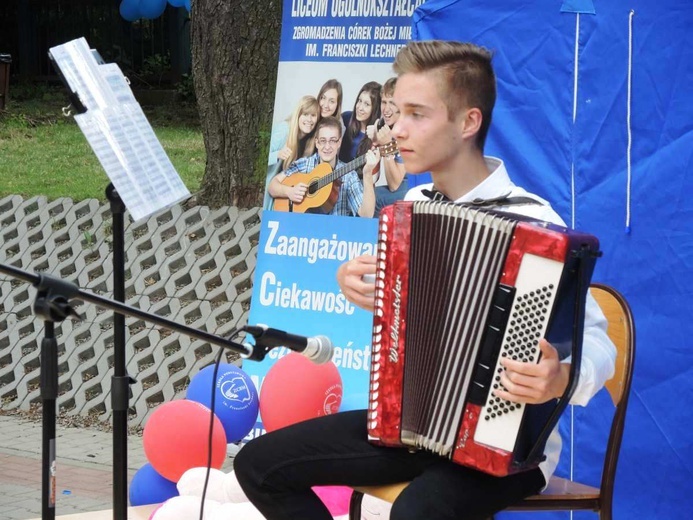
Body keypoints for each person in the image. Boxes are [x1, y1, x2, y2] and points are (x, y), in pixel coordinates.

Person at [235, 41, 616, 520]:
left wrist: (560, 375)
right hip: (409, 424)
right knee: (257, 466)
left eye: (416, 114)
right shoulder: (411, 209)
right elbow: (400, 310)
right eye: (398, 114)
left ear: (468, 123)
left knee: (417, 511)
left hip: (499, 442)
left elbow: (600, 342)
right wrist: (353, 282)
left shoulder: (535, 224)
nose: (397, 128)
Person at [268, 116, 378, 217]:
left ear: (339, 143)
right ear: (317, 143)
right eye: (323, 140)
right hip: (301, 235)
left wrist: (367, 174)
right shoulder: (304, 164)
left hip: (333, 236)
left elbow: (366, 215)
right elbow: (272, 186)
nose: (327, 146)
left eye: (333, 141)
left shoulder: (349, 175)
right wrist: (289, 192)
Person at [265, 96, 319, 210]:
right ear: (298, 115)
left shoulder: (309, 143)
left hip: (282, 198)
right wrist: (277, 154)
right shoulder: (284, 130)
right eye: (305, 114)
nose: (309, 120)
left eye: (313, 115)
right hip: (266, 194)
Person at [365, 77, 409, 218]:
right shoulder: (385, 126)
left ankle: (374, 239)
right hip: (403, 183)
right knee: (365, 193)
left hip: (417, 186)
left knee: (375, 200)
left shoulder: (406, 129)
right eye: (384, 102)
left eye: (392, 103)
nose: (386, 109)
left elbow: (394, 184)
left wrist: (386, 144)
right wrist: (376, 142)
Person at [339, 81, 381, 163]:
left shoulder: (376, 135)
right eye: (360, 101)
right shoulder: (345, 118)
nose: (360, 107)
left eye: (367, 104)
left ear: (375, 109)